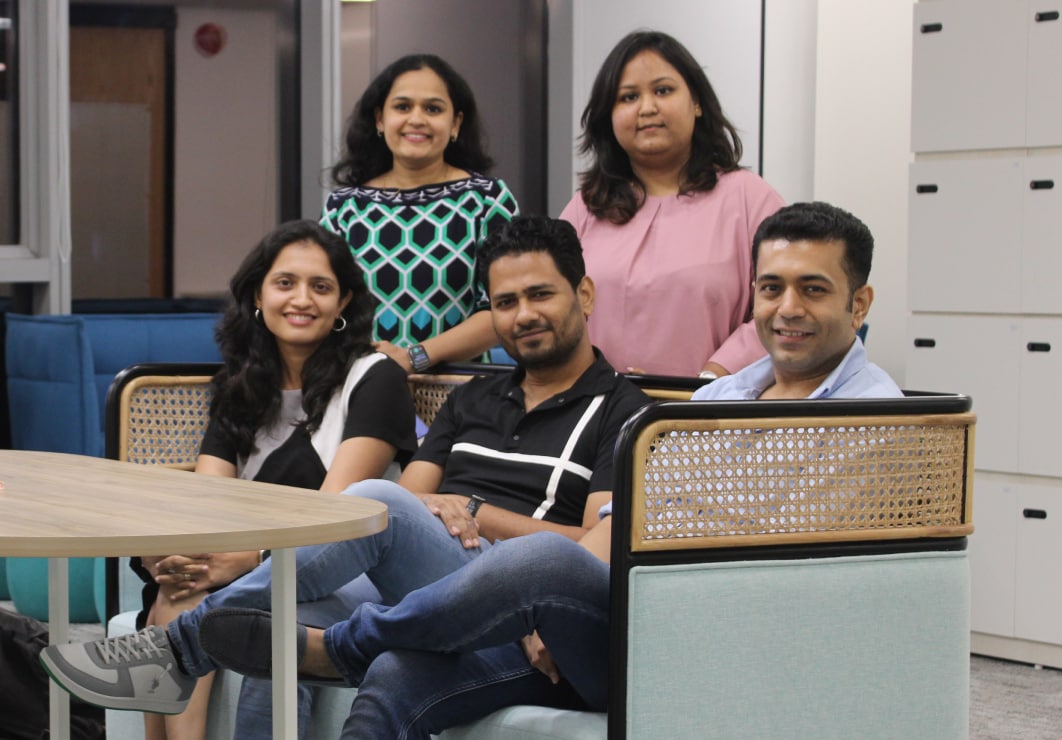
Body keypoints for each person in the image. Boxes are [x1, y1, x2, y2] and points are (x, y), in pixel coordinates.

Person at [191, 201, 904, 738]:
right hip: (582, 614)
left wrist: (538, 573)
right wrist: (550, 608)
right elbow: (625, 522)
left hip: (690, 631)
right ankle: (329, 650)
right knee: (395, 678)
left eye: (812, 289)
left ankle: (318, 647)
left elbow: (784, 562)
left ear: (858, 302)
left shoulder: (876, 417)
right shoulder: (718, 398)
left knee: (524, 557)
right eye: (772, 288)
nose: (786, 308)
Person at [39, 215, 651, 736]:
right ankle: (219, 646)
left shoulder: (628, 415)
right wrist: (434, 508)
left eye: (540, 295)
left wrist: (474, 509)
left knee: (421, 541)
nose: (523, 315)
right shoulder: (473, 401)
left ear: (584, 295)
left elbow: (589, 555)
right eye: (505, 303)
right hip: (443, 583)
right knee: (300, 608)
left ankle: (181, 649)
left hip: (543, 621)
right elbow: (404, 512)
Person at [130, 219, 418, 740]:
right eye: (285, 283)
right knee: (177, 591)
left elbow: (335, 521)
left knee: (217, 607)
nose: (301, 299)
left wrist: (236, 563)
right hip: (255, 568)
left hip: (353, 575)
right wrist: (177, 557)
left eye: (321, 286)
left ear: (343, 302)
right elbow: (207, 505)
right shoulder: (240, 387)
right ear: (258, 295)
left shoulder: (376, 379)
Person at [560, 30, 785, 378]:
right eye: (628, 97)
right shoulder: (585, 209)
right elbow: (556, 306)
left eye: (663, 91)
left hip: (713, 413)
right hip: (598, 413)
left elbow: (784, 308)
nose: (647, 108)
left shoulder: (751, 199)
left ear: (696, 102)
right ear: (609, 116)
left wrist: (718, 374)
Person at [321, 53, 519, 374]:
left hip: (458, 395)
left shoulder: (487, 200)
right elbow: (325, 307)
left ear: (455, 123)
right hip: (359, 386)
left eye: (433, 109)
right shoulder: (344, 208)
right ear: (379, 119)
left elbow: (504, 309)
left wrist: (413, 357)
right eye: (402, 107)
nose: (417, 119)